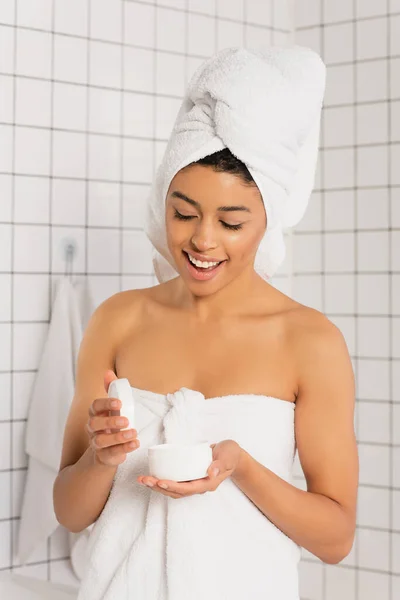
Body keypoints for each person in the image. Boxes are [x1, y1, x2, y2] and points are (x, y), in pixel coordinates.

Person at [54, 47, 359, 599]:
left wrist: (241, 467)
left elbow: (336, 538)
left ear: (268, 219)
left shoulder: (309, 341)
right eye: (184, 212)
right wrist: (100, 460)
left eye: (232, 221)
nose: (202, 240)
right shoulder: (118, 320)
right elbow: (70, 512)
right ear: (161, 202)